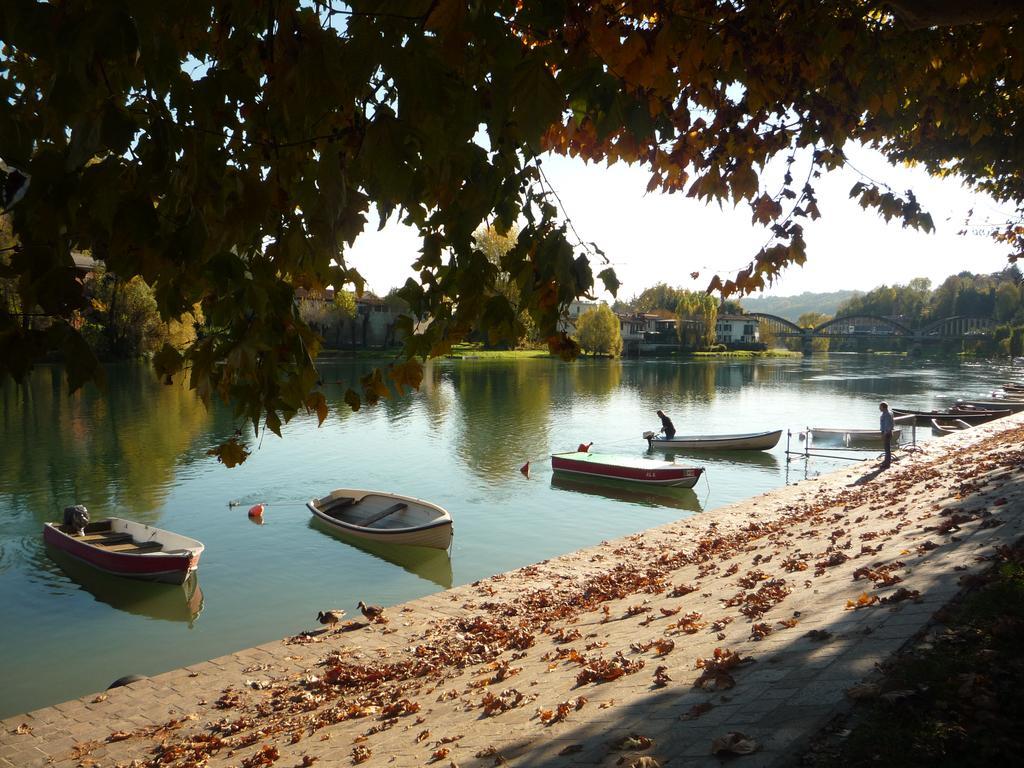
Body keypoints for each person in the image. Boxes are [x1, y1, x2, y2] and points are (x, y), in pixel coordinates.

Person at [879, 401, 894, 468]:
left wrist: (885, 434)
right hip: (888, 432)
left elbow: (887, 425)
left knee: (887, 448)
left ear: (883, 407)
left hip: (887, 433)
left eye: (880, 407)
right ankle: (887, 460)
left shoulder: (887, 414)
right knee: (887, 448)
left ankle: (887, 463)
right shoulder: (890, 412)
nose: (879, 408)